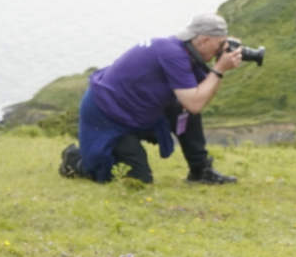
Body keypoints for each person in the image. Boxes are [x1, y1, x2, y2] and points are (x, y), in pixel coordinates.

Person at [58, 13, 244, 185]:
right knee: (136, 178)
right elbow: (195, 102)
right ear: (203, 40)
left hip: (135, 110)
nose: (222, 49)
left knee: (183, 112)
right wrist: (219, 69)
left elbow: (199, 97)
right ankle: (74, 161)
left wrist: (218, 68)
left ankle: (200, 171)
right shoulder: (173, 54)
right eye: (219, 45)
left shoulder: (185, 51)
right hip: (108, 115)